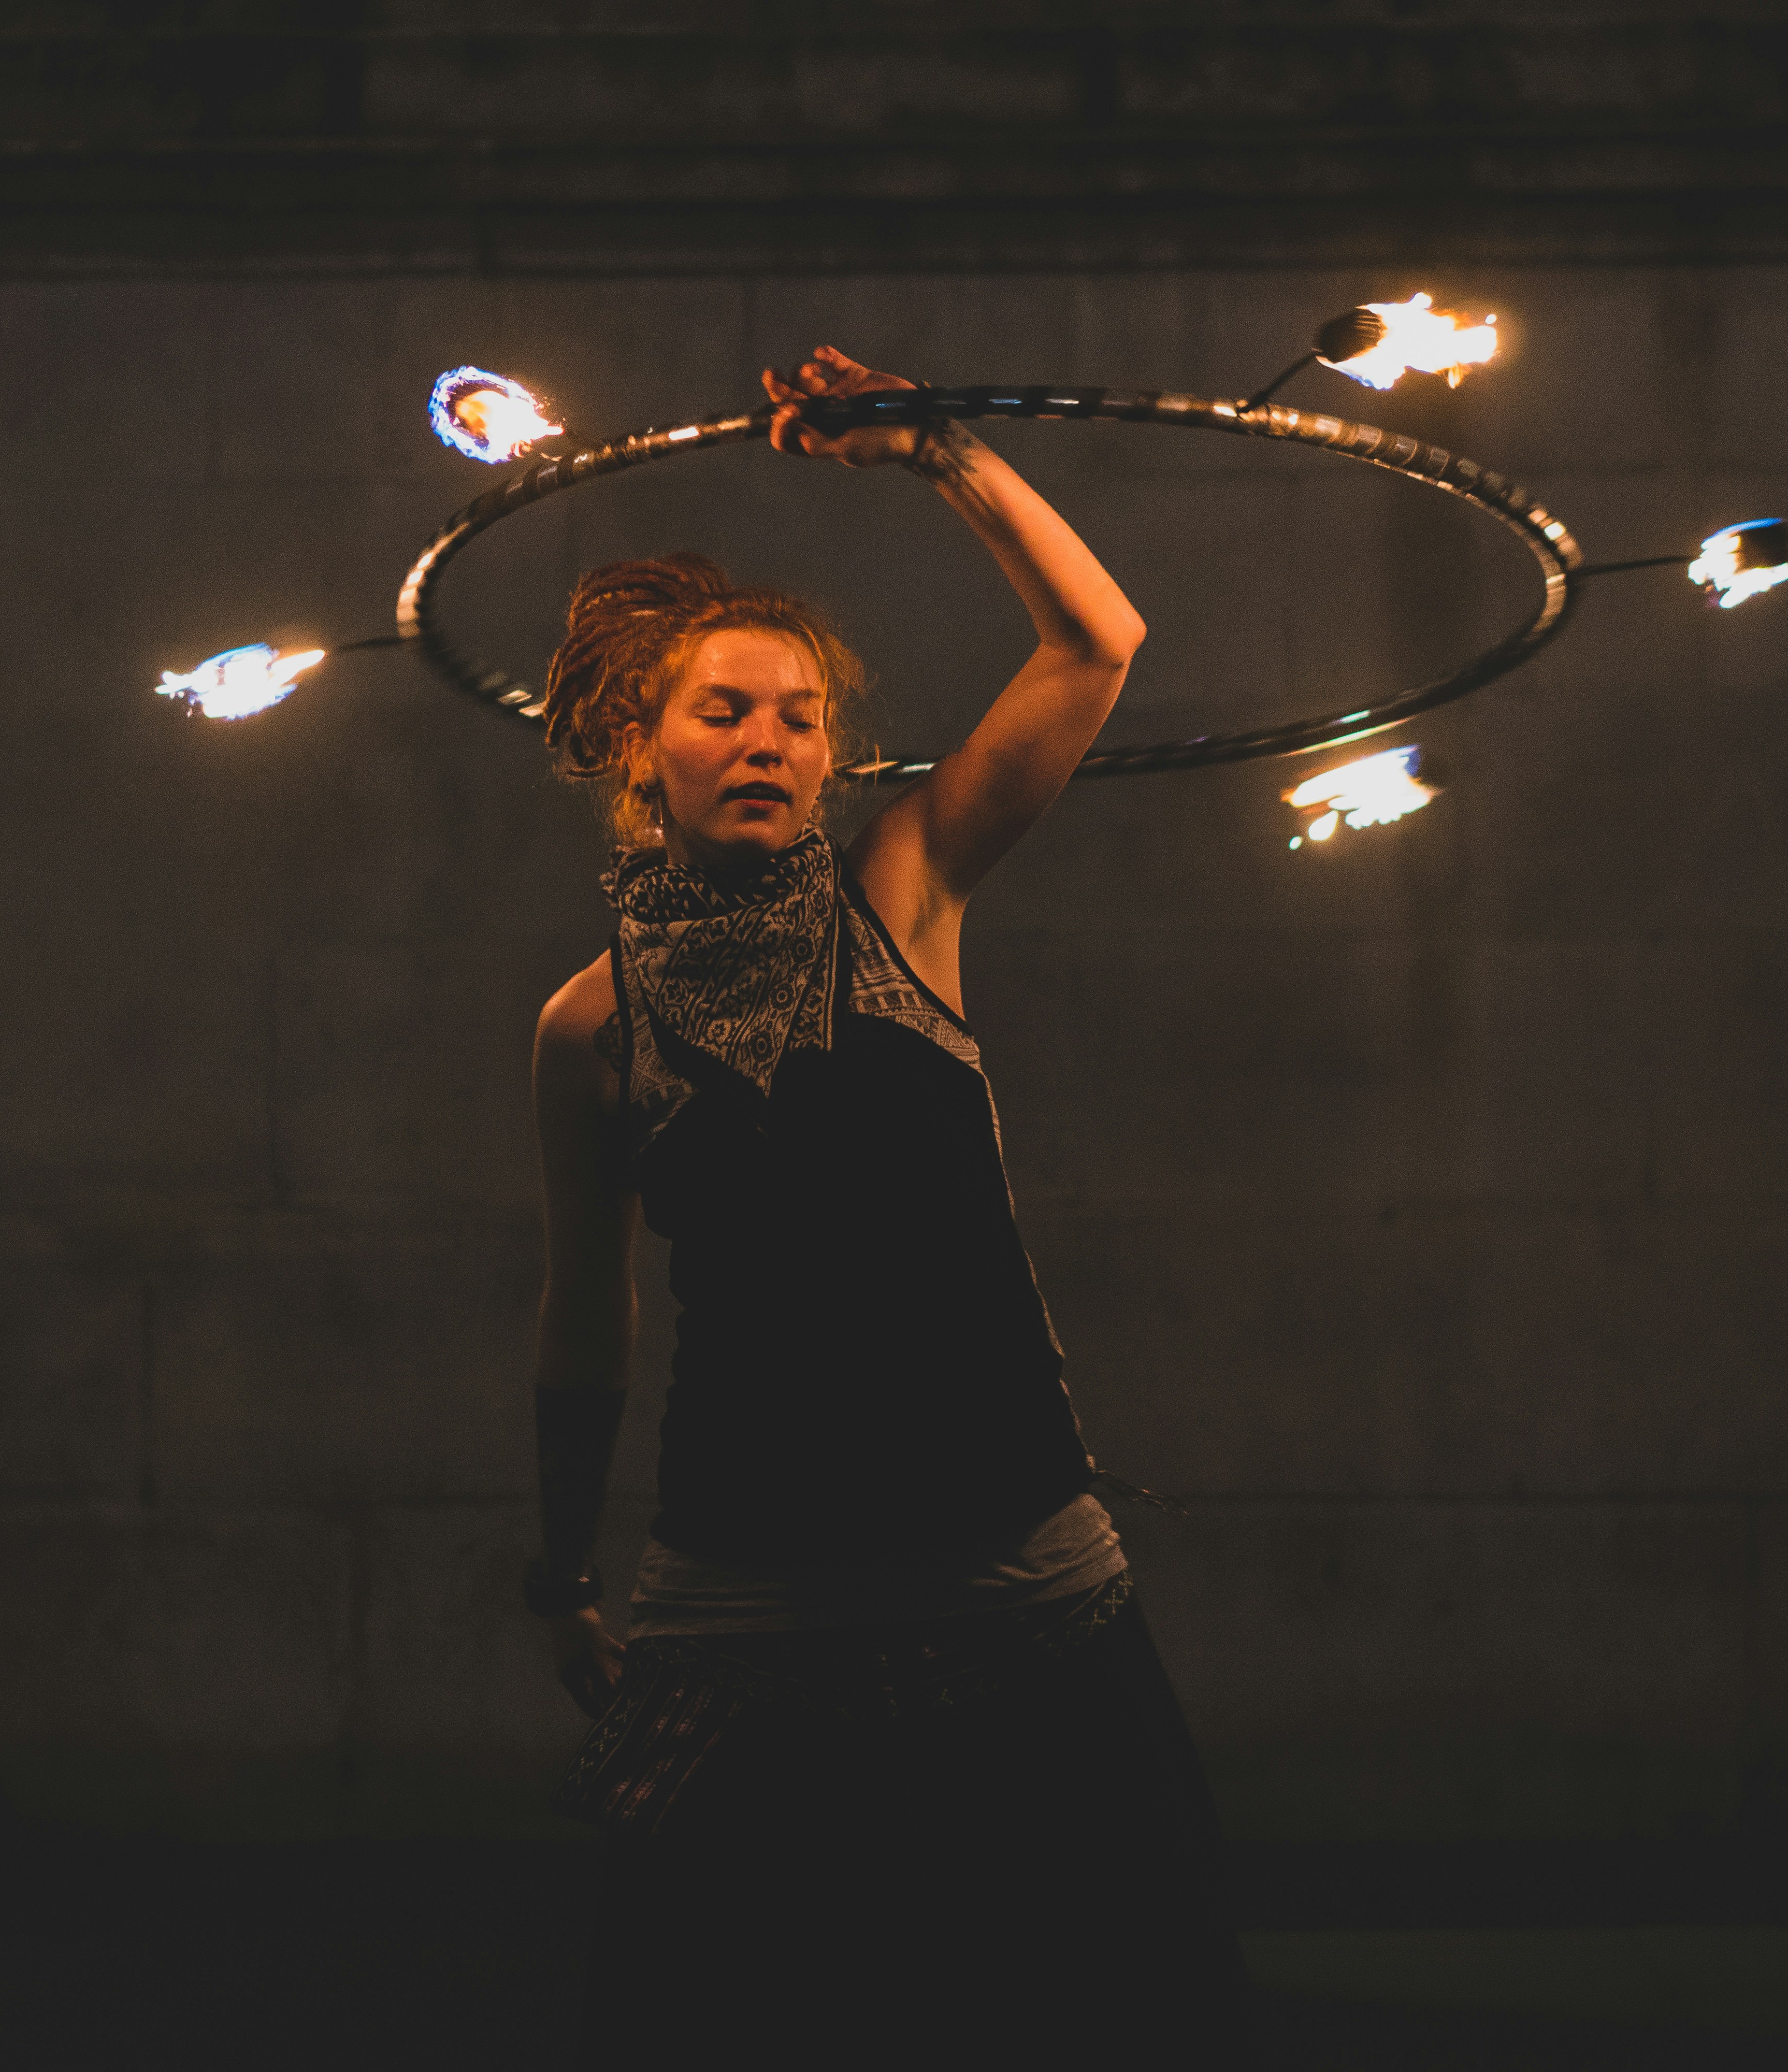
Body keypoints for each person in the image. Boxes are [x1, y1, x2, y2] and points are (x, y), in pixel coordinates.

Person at [524, 346, 1250, 2067]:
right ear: (646, 746)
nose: (767, 739)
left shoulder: (905, 896)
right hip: (743, 1591)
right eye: (725, 710)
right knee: (707, 2014)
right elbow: (582, 1320)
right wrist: (556, 1572)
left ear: (839, 759)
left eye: (799, 717)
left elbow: (1099, 646)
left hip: (1014, 1564)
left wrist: (942, 456)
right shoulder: (588, 1027)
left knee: (1125, 1994)